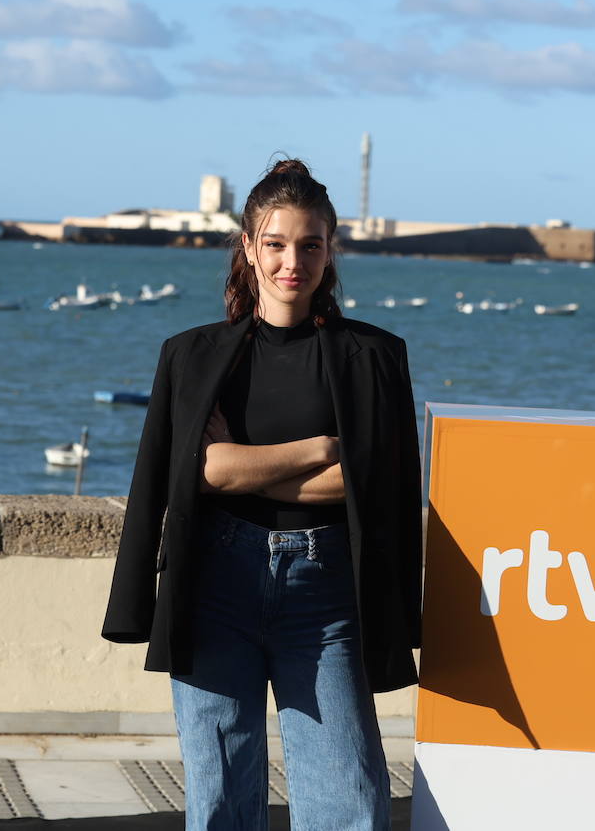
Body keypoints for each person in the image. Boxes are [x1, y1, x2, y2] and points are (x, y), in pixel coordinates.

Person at [102, 158, 423, 830]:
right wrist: (318, 449)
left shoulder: (375, 358)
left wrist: (232, 464)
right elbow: (186, 476)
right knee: (218, 802)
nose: (292, 262)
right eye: (275, 244)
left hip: (327, 595)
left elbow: (374, 486)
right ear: (248, 248)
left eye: (309, 244)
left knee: (350, 803)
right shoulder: (191, 357)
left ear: (331, 249)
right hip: (214, 585)